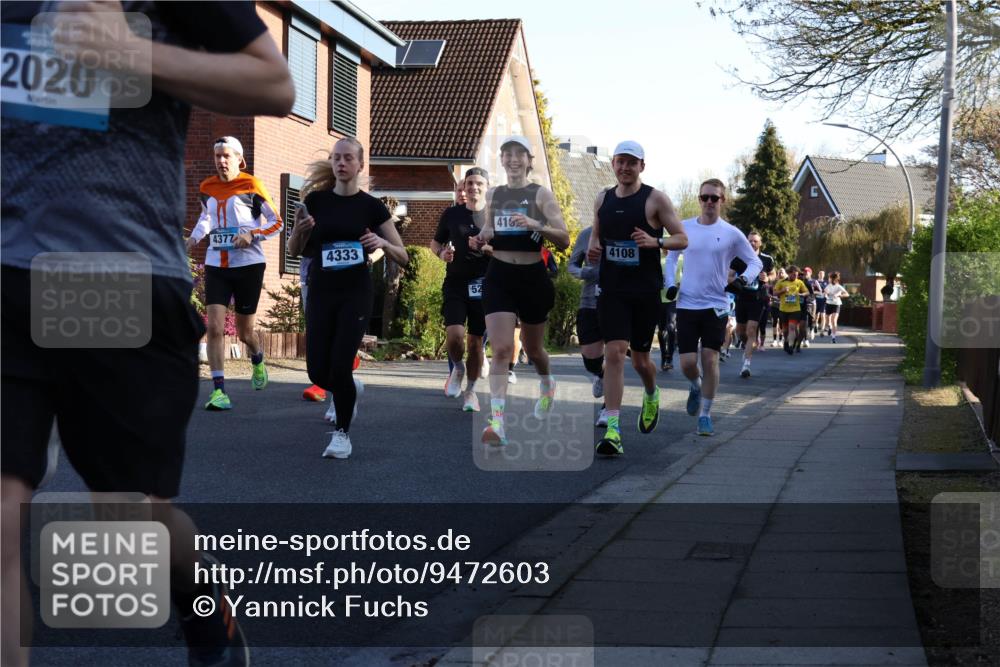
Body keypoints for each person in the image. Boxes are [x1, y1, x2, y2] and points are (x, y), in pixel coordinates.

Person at [1, 3, 294, 666]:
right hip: (7, 273)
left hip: (121, 277)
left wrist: (132, 54)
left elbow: (275, 85)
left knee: (128, 517)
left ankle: (204, 607)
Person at [287, 138, 408, 459]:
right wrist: (300, 229)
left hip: (355, 293)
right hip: (321, 291)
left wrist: (380, 240)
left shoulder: (371, 206)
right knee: (317, 372)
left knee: (340, 364)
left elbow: (403, 254)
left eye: (348, 158)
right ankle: (350, 389)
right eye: (336, 158)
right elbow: (293, 250)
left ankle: (341, 434)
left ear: (360, 165)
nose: (341, 163)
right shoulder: (316, 201)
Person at [586, 141, 688, 456]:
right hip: (612, 290)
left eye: (632, 162)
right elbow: (596, 234)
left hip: (645, 292)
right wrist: (593, 247)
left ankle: (651, 391)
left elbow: (682, 239)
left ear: (642, 166)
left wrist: (655, 241)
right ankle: (613, 430)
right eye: (620, 162)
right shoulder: (602, 198)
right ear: (613, 164)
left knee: (641, 361)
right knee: (614, 353)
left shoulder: (655, 199)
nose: (625, 168)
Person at [469, 136, 570, 446]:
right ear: (501, 160)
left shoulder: (540, 194)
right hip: (499, 274)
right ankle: (497, 422)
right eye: (507, 153)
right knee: (499, 349)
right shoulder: (496, 194)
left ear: (528, 160)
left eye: (519, 154)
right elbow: (489, 230)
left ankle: (546, 382)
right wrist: (480, 239)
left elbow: (564, 238)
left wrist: (534, 224)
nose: (513, 159)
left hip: (532, 277)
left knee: (534, 348)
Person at [186, 136, 283, 410]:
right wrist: (193, 239)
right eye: (217, 156)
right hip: (217, 263)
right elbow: (206, 218)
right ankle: (219, 391)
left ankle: (258, 356)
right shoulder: (207, 186)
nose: (221, 161)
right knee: (214, 327)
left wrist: (251, 234)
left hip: (249, 265)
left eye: (226, 156)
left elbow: (276, 223)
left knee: (244, 332)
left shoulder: (252, 185)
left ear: (239, 159)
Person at [664, 179, 761, 437]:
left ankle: (705, 415)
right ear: (699, 199)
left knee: (710, 359)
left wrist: (742, 280)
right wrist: (669, 283)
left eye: (714, 198)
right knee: (686, 363)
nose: (708, 202)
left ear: (722, 201)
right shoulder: (684, 228)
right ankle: (695, 385)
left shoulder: (731, 233)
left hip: (716, 305)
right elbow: (671, 257)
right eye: (704, 197)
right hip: (686, 303)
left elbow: (755, 263)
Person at [432, 168, 491, 412]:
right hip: (456, 283)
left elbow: (507, 251)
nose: (473, 187)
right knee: (455, 335)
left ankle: (471, 392)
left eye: (479, 183)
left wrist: (487, 248)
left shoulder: (494, 215)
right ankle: (457, 368)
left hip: (485, 285)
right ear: (464, 187)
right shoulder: (452, 214)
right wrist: (442, 254)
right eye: (469, 183)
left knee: (476, 343)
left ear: (487, 187)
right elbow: (435, 243)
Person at [568, 224, 608, 426]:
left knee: (615, 355)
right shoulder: (586, 234)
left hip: (617, 302)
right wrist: (585, 273)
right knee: (590, 358)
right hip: (589, 301)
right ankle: (600, 373)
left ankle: (608, 410)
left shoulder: (625, 231)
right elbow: (571, 265)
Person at [729, 231, 775, 378]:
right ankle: (746, 347)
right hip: (742, 298)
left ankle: (746, 365)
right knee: (741, 332)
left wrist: (767, 277)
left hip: (758, 298)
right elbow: (729, 275)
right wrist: (737, 283)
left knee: (751, 330)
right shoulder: (739, 258)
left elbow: (773, 275)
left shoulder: (767, 259)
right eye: (749, 241)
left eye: (755, 241)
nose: (752, 243)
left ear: (760, 243)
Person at [774, 266, 810, 354]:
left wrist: (802, 294)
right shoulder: (781, 282)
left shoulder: (799, 282)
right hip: (783, 309)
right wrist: (782, 290)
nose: (795, 276)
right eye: (793, 275)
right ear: (789, 273)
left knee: (792, 328)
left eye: (796, 275)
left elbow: (807, 292)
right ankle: (786, 341)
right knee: (785, 331)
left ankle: (790, 346)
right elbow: (774, 293)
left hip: (795, 309)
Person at [656, 252, 681, 371]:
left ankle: (669, 357)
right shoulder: (657, 258)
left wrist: (679, 285)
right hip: (659, 298)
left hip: (673, 298)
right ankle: (663, 354)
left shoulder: (680, 258)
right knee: (661, 330)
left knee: (671, 326)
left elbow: (685, 276)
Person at [823, 272, 850, 343]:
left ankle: (833, 337)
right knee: (827, 320)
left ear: (834, 279)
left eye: (830, 278)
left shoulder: (839, 286)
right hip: (829, 303)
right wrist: (826, 295)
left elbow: (847, 294)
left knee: (834, 320)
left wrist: (839, 295)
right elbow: (825, 293)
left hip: (836, 304)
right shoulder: (828, 286)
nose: (828, 279)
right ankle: (829, 327)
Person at [769, 267, 787, 347]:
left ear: (785, 273)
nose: (780, 273)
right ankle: (774, 340)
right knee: (774, 322)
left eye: (782, 272)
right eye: (779, 272)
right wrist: (770, 298)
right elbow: (770, 292)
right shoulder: (774, 282)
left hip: (783, 305)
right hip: (774, 305)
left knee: (781, 323)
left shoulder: (787, 282)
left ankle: (780, 340)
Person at [814, 269, 829, 336]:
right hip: (817, 300)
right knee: (817, 316)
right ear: (818, 274)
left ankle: (822, 330)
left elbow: (828, 291)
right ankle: (816, 326)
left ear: (824, 275)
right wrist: (818, 292)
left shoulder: (826, 283)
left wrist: (826, 293)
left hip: (823, 300)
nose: (821, 275)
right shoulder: (815, 282)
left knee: (823, 315)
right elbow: (813, 291)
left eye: (822, 274)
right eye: (820, 273)